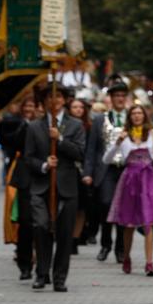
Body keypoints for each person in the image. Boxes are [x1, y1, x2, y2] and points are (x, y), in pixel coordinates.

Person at [24, 83, 86, 292]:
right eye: (50, 97)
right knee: (41, 227)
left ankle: (59, 277)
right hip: (41, 187)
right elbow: (28, 158)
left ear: (64, 100)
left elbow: (79, 153)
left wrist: (58, 139)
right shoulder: (34, 127)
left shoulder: (76, 125)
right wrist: (43, 165)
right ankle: (41, 274)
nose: (55, 100)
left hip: (67, 187)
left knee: (65, 233)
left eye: (58, 96)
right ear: (44, 101)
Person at [102, 104, 153, 276]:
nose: (137, 116)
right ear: (129, 117)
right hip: (129, 181)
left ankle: (149, 263)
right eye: (134, 113)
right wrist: (117, 142)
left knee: (148, 222)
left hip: (148, 181)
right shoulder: (123, 136)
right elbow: (106, 159)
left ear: (144, 115)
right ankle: (127, 257)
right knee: (128, 224)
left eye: (140, 113)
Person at [0, 94, 36, 279]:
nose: (28, 109)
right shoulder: (16, 122)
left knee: (42, 223)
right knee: (24, 220)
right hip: (22, 175)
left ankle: (42, 262)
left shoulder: (48, 123)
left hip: (45, 175)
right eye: (25, 106)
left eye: (32, 106)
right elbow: (2, 133)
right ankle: (24, 259)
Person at [84, 75, 129, 263]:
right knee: (105, 204)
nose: (119, 98)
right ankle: (105, 244)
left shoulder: (133, 117)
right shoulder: (100, 120)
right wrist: (88, 172)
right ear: (110, 97)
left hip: (127, 170)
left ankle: (120, 248)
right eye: (116, 95)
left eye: (122, 95)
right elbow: (91, 148)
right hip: (106, 169)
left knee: (123, 210)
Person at [67, 98, 93, 254]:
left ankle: (75, 239)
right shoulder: (63, 126)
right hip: (69, 168)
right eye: (74, 107)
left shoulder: (89, 127)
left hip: (84, 170)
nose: (78, 110)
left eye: (80, 107)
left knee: (81, 207)